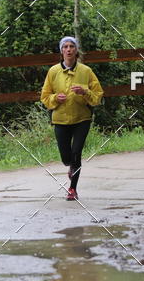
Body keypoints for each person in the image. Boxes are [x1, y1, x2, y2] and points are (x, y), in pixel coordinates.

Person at [40, 36, 104, 201]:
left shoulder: (86, 71)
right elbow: (45, 96)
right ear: (61, 51)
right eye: (65, 47)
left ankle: (72, 189)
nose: (68, 49)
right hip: (60, 120)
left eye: (71, 46)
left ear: (76, 51)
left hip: (82, 118)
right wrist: (55, 98)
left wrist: (85, 92)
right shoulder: (53, 71)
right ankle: (70, 166)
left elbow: (98, 95)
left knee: (76, 153)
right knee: (66, 158)